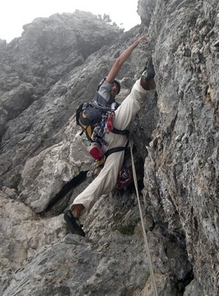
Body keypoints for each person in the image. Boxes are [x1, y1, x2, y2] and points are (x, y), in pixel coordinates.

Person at [64, 36, 156, 236]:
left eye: (116, 88)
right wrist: (135, 44)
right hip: (110, 130)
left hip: (113, 144)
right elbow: (118, 63)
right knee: (132, 100)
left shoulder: (111, 103)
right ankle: (145, 80)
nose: (114, 87)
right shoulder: (102, 92)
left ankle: (75, 211)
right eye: (113, 85)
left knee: (108, 177)